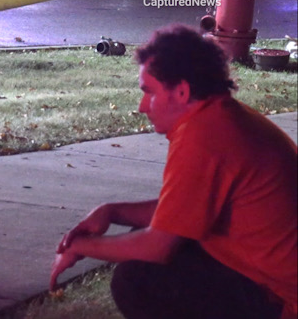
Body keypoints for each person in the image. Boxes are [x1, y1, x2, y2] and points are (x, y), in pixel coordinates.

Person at [50, 24, 297, 319]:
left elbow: (158, 247)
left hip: (283, 298)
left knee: (140, 279)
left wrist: (83, 246)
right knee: (144, 240)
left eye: (149, 92)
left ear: (181, 91)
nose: (142, 106)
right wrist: (111, 211)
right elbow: (181, 213)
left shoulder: (205, 136)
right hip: (274, 280)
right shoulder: (221, 117)